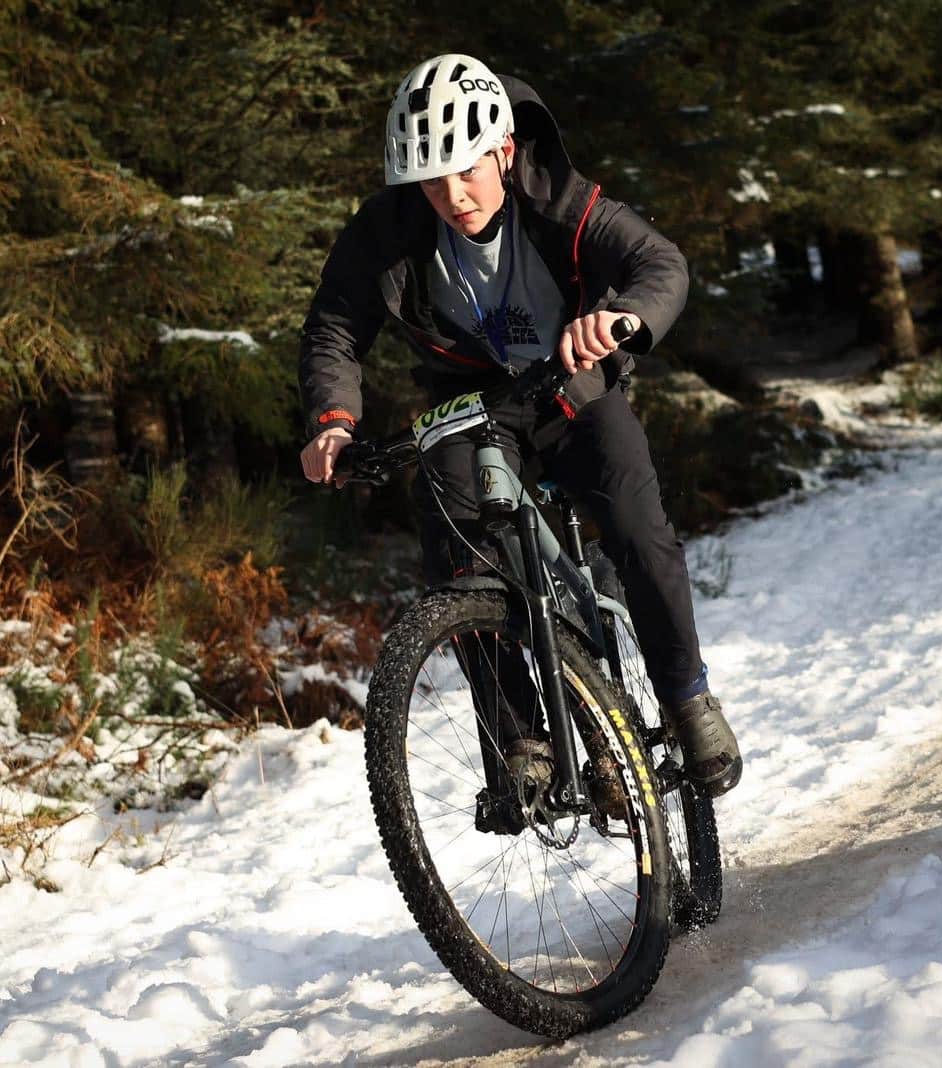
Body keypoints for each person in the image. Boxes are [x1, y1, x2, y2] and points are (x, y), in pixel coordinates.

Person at [298, 53, 740, 797]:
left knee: (634, 526)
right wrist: (332, 422)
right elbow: (334, 327)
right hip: (468, 404)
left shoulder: (561, 199)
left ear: (504, 151)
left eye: (467, 169)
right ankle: (520, 740)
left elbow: (658, 263)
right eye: (431, 179)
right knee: (456, 547)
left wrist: (620, 318)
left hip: (573, 385)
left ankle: (687, 699)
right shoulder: (389, 229)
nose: (451, 193)